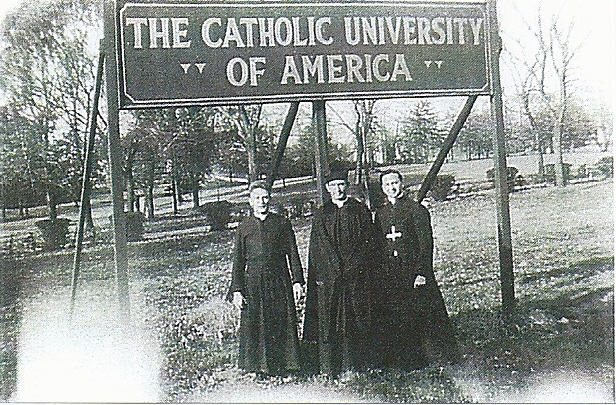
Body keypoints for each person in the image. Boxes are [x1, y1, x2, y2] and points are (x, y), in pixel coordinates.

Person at [373, 169, 459, 370]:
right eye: (387, 185)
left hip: (414, 273)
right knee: (399, 316)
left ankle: (444, 355)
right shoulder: (381, 213)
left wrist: (422, 272)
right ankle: (406, 359)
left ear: (401, 184)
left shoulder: (416, 210)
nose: (391, 188)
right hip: (392, 273)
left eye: (394, 183)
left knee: (429, 314)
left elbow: (425, 243)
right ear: (382, 189)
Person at [302, 166, 377, 377]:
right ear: (327, 188)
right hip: (331, 278)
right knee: (331, 320)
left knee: (357, 318)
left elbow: (367, 241)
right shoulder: (322, 213)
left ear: (347, 186)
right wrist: (335, 269)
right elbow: (319, 247)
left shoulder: (359, 210)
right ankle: (332, 366)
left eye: (341, 184)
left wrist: (353, 266)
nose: (338, 189)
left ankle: (359, 364)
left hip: (356, 277)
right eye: (333, 185)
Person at [227, 180, 304, 376]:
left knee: (281, 321)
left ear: (270, 199)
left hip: (279, 280)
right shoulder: (244, 227)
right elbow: (238, 261)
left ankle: (286, 365)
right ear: (250, 201)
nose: (262, 202)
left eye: (265, 197)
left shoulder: (281, 223)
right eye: (257, 198)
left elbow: (293, 254)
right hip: (253, 282)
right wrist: (237, 290)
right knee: (257, 323)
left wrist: (297, 281)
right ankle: (258, 366)